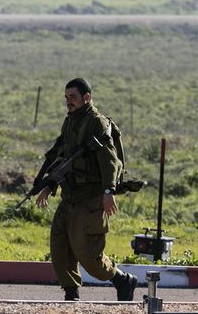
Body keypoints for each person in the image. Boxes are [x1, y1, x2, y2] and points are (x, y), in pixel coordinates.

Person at [34, 77, 137, 301]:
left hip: (91, 197)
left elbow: (110, 161)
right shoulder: (70, 122)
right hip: (69, 195)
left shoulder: (96, 123)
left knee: (88, 255)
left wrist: (108, 192)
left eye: (73, 97)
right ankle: (71, 295)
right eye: (66, 98)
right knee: (60, 246)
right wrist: (48, 185)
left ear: (86, 97)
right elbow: (62, 158)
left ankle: (122, 279)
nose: (68, 102)